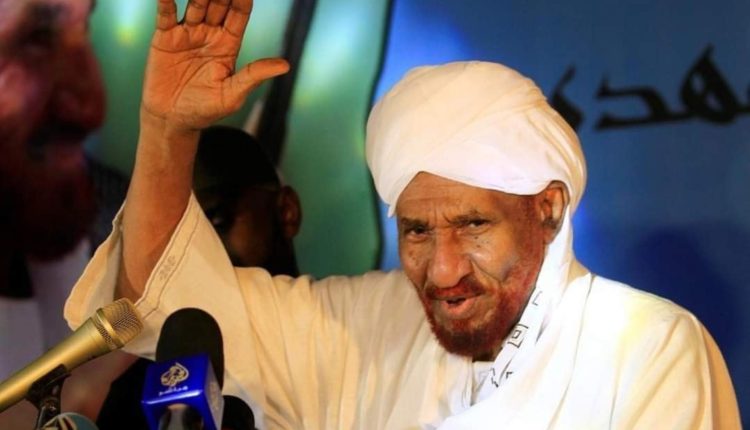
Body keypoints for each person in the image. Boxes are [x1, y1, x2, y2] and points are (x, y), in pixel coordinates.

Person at [63, 0, 741, 428]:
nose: (441, 270)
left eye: (473, 225)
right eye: (416, 230)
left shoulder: (647, 349)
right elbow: (162, 301)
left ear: (549, 208)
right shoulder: (361, 329)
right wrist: (167, 129)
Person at [95, 125, 302, 429]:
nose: (204, 256)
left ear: (287, 211)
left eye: (217, 221)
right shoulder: (142, 396)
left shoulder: (352, 338)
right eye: (181, 245)